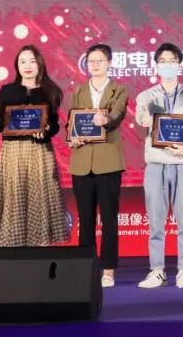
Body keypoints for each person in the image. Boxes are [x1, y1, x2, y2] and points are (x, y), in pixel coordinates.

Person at [135, 42, 183, 289]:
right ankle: (157, 270)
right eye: (163, 61)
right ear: (156, 66)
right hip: (156, 164)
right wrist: (146, 118)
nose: (167, 65)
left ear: (179, 65)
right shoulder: (146, 96)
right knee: (156, 221)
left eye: (172, 61)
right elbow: (141, 118)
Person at [0, 44, 69, 247]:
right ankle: (14, 247)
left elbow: (54, 125)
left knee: (40, 198)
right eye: (22, 62)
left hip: (40, 151)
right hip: (13, 152)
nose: (27, 66)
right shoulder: (7, 91)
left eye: (32, 61)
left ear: (39, 64)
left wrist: (46, 130)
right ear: (17, 66)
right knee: (15, 198)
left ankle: (41, 246)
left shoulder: (51, 91)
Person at [67, 44, 129, 288]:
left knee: (109, 218)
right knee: (85, 218)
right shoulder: (78, 91)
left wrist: (106, 119)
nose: (95, 64)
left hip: (108, 162)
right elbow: (71, 122)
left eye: (100, 60)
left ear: (109, 63)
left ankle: (108, 270)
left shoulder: (119, 90)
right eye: (91, 60)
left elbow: (117, 115)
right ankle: (87, 267)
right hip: (81, 162)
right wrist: (72, 137)